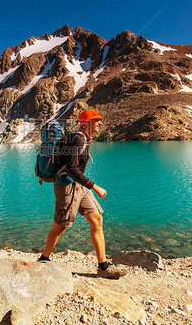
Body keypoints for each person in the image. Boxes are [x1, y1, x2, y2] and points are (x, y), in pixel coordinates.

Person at [38, 109, 126, 279]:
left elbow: (75, 169)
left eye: (100, 119)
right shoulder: (79, 138)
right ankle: (43, 258)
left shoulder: (85, 138)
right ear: (87, 122)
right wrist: (95, 186)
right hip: (67, 187)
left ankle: (103, 267)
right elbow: (71, 169)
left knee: (97, 219)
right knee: (60, 226)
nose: (100, 122)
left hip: (79, 186)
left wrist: (87, 186)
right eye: (97, 119)